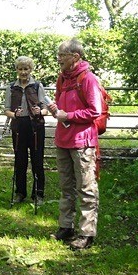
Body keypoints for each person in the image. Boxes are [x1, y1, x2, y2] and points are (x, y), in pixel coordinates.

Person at [47, 39, 102, 251]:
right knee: (65, 186)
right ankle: (65, 227)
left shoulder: (88, 79)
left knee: (86, 187)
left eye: (62, 55)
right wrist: (54, 109)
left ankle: (87, 233)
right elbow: (61, 107)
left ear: (75, 57)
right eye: (59, 55)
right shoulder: (62, 79)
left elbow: (94, 111)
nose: (58, 59)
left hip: (82, 143)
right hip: (63, 139)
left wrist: (68, 114)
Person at [3, 56, 50, 205]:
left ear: (30, 69)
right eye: (21, 69)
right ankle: (20, 192)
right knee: (20, 160)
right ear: (17, 70)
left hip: (35, 126)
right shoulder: (11, 87)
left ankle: (38, 194)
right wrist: (14, 115)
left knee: (37, 160)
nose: (23, 72)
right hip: (19, 126)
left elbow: (45, 110)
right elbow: (6, 111)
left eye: (26, 69)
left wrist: (39, 112)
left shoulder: (37, 86)